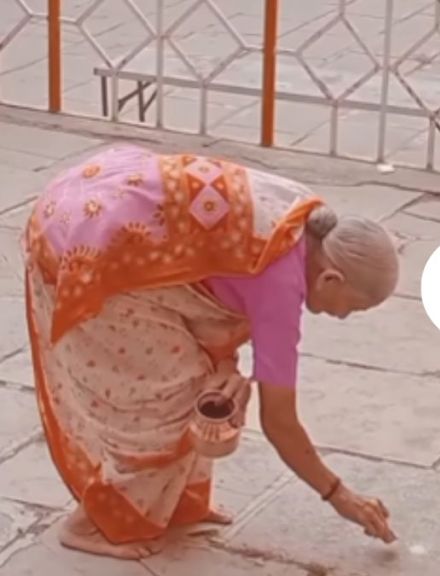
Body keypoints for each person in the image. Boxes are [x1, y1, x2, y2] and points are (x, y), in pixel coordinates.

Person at [22, 146, 400, 560]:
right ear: (331, 277)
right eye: (354, 307)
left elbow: (215, 276)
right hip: (85, 253)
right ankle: (96, 524)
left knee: (211, 386)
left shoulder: (304, 220)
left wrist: (222, 363)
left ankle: (173, 504)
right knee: (167, 403)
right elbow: (280, 422)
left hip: (101, 205)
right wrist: (340, 495)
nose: (345, 316)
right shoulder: (281, 284)